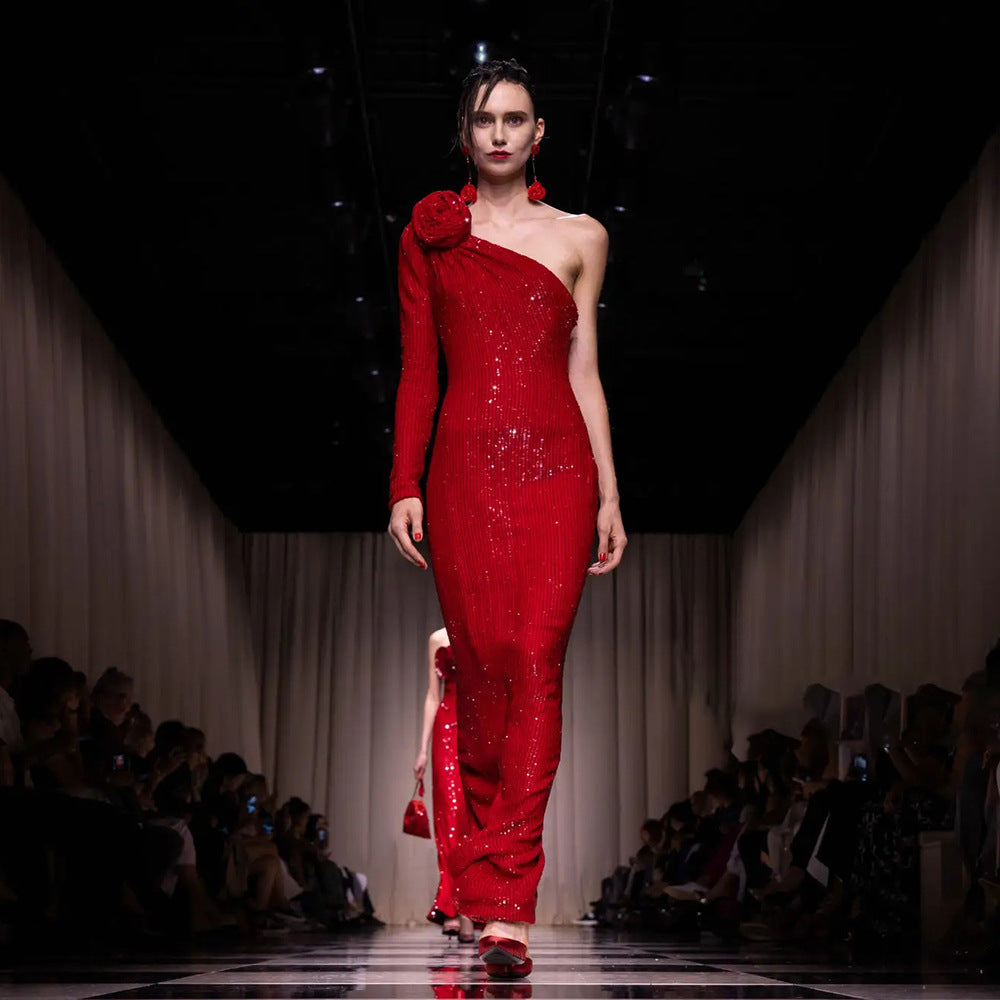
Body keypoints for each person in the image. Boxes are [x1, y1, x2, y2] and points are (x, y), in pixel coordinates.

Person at [387, 58, 626, 978]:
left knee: (535, 664)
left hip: (559, 468)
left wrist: (609, 491)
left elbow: (585, 370)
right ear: (464, 132)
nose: (498, 133)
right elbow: (417, 369)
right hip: (462, 474)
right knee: (482, 679)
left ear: (538, 135)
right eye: (484, 119)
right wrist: (404, 483)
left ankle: (510, 908)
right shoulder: (430, 236)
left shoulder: (580, 237)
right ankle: (481, 884)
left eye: (515, 118)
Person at [414, 627, 474, 941]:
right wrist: (423, 748)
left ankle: (473, 907)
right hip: (447, 729)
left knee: (474, 817)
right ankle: (456, 908)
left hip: (480, 727)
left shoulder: (486, 626)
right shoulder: (436, 639)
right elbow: (432, 694)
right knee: (450, 818)